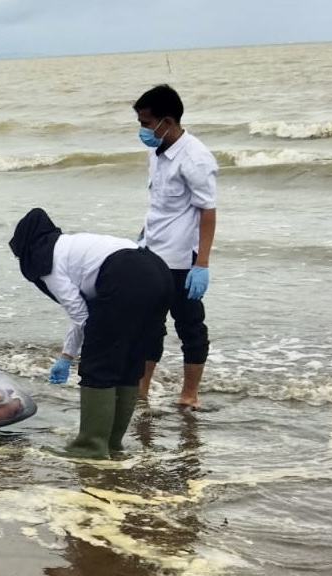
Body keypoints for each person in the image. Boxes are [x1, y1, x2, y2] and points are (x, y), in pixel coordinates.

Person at [9, 208, 174, 459]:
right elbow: (86, 314)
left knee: (100, 366)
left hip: (126, 276)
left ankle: (90, 447)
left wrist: (70, 356)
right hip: (158, 272)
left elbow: (81, 316)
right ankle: (111, 444)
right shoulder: (71, 244)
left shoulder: (47, 261)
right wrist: (67, 354)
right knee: (129, 362)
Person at [133, 84, 218, 410]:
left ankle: (189, 395)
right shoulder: (156, 153)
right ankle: (141, 392)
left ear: (166, 121)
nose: (142, 129)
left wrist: (202, 265)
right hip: (153, 253)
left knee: (190, 327)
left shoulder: (195, 158)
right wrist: (141, 237)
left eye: (145, 122)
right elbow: (159, 205)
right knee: (148, 327)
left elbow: (207, 212)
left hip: (183, 258)